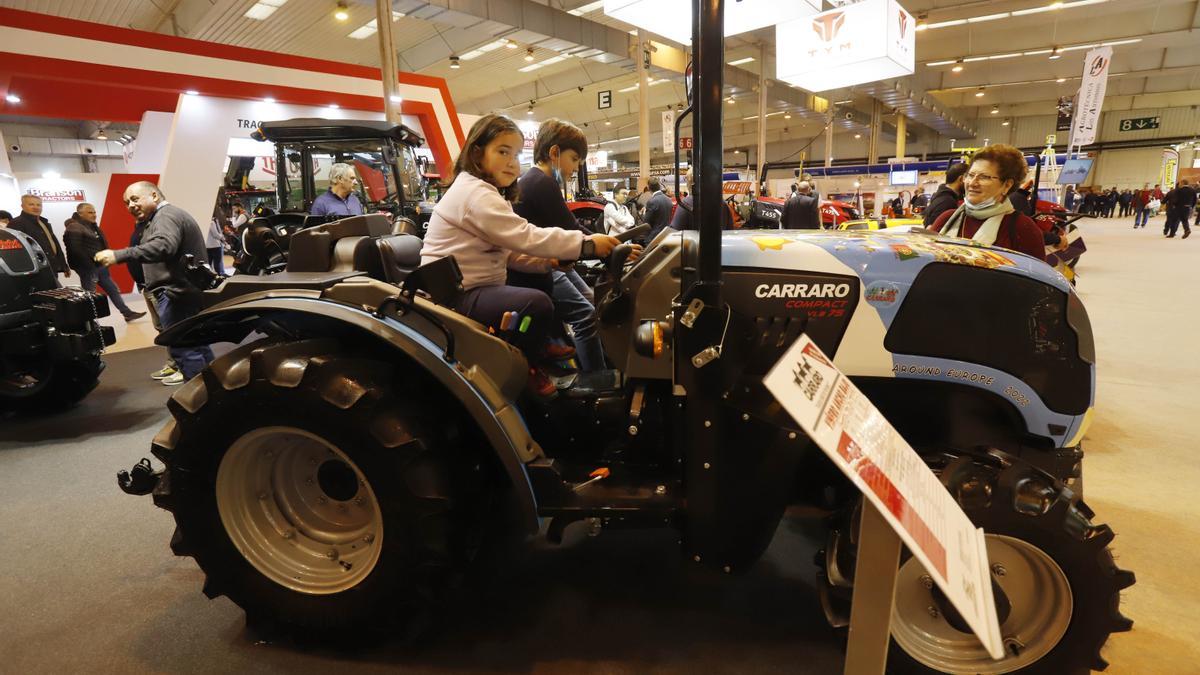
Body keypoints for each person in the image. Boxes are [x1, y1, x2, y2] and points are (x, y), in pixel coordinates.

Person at [419, 115, 622, 397]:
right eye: (503, 152)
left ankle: (536, 348)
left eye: (515, 154)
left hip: (473, 287)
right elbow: (526, 235)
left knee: (541, 301)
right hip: (456, 294)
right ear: (477, 153)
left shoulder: (484, 192)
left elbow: (510, 252)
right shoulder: (475, 194)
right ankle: (526, 365)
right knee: (536, 303)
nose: (512, 162)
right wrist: (586, 244)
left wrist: (548, 262)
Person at [513, 118, 622, 373]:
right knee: (586, 316)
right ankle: (597, 380)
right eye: (574, 159)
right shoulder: (541, 182)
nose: (575, 168)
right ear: (554, 153)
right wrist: (605, 246)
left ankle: (600, 365)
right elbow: (571, 228)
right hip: (540, 265)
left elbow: (568, 228)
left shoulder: (536, 180)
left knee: (591, 302)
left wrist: (608, 244)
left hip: (550, 259)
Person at [94, 182, 214, 385]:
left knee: (185, 349)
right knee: (196, 346)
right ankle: (213, 392)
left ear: (154, 196)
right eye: (126, 203)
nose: (130, 206)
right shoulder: (159, 218)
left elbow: (164, 246)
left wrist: (119, 255)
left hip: (177, 295)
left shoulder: (166, 216)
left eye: (135, 199)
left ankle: (200, 398)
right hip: (180, 293)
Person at [930, 144, 1045, 262]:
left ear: (1007, 185)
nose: (972, 183)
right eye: (970, 175)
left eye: (984, 177)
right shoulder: (947, 218)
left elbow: (1037, 277)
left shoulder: (1022, 229)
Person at [63, 203, 145, 322]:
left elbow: (100, 244)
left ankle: (127, 313)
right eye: (90, 212)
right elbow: (74, 250)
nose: (94, 214)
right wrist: (89, 266)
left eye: (94, 212)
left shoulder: (92, 226)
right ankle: (89, 321)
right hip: (88, 268)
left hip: (100, 266)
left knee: (112, 290)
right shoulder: (74, 227)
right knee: (90, 295)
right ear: (80, 213)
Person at [8, 195, 69, 277]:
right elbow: (16, 251)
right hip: (35, 270)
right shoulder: (16, 223)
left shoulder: (43, 222)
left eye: (38, 205)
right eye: (31, 204)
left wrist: (63, 265)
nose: (36, 207)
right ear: (22, 206)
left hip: (49, 266)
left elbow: (54, 244)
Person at [668, 168, 734, 231]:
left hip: (694, 242)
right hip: (718, 242)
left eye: (687, 179)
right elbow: (730, 230)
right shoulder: (722, 203)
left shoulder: (686, 203)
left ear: (691, 182)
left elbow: (675, 232)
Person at [922, 162, 968, 227]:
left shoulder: (940, 196)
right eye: (969, 178)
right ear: (961, 179)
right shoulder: (947, 202)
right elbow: (933, 230)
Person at [642, 177, 675, 241]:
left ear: (648, 187)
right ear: (659, 186)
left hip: (654, 237)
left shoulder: (652, 201)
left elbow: (647, 223)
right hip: (666, 235)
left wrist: (644, 213)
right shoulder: (668, 199)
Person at [206, 205, 227, 276]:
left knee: (208, 263)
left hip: (207, 246)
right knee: (217, 263)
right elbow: (215, 234)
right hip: (215, 245)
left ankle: (209, 277)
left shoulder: (206, 221)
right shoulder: (211, 222)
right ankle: (219, 276)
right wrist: (222, 237)